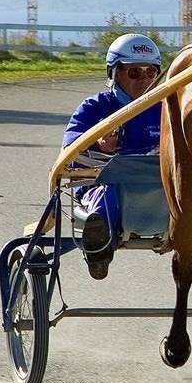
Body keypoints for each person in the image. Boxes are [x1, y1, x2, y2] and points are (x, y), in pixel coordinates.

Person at [63, 33, 164, 279]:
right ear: (115, 74)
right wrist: (97, 144)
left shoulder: (167, 106)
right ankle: (98, 249)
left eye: (151, 72)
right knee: (105, 196)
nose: (144, 79)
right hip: (107, 187)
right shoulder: (95, 107)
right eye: (134, 72)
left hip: (163, 192)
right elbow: (68, 150)